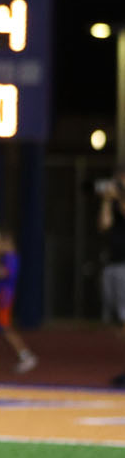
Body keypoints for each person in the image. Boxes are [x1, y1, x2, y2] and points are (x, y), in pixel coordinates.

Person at [0, 230, 37, 372]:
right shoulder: (5, 257)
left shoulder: (10, 257)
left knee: (4, 328)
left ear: (7, 244)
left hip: (2, 298)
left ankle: (25, 355)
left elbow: (2, 273)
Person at [96, 165, 125, 386]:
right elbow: (104, 225)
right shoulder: (114, 203)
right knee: (119, 319)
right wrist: (107, 200)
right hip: (114, 264)